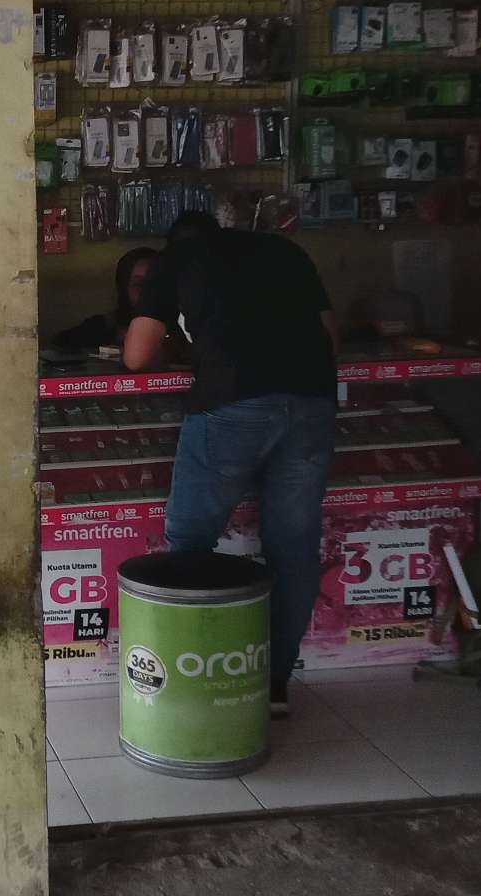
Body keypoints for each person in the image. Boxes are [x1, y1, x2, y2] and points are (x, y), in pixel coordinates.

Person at [123, 213, 338, 715]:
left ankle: (194, 678)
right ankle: (274, 685)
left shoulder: (175, 260)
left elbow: (136, 356)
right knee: (294, 549)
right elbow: (331, 338)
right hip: (313, 402)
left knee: (190, 539)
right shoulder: (286, 251)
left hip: (231, 402)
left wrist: (194, 350)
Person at [54, 247, 157, 354]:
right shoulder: (109, 323)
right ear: (124, 287)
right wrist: (117, 335)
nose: (149, 291)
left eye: (155, 282)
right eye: (139, 284)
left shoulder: (169, 320)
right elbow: (62, 342)